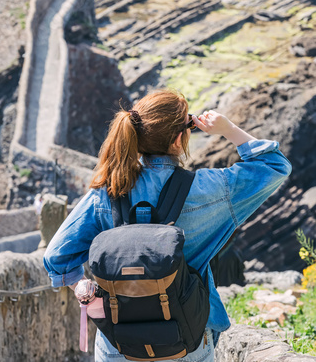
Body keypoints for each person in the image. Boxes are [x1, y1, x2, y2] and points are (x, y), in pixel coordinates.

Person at [43, 89, 292, 361]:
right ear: (178, 139)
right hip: (187, 341)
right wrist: (227, 129)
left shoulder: (107, 192)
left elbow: (56, 257)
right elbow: (274, 165)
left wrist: (82, 286)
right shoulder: (209, 188)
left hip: (118, 345)